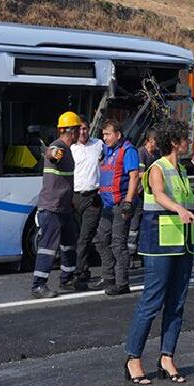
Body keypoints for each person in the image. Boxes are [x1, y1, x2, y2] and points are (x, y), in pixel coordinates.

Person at [123, 120, 194, 385]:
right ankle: (133, 357)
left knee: (176, 303)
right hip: (159, 246)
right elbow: (160, 195)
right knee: (152, 302)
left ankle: (167, 357)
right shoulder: (158, 167)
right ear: (175, 142)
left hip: (183, 244)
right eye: (185, 139)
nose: (188, 143)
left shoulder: (183, 170)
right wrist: (178, 208)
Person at [31, 112, 80, 299]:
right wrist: (53, 153)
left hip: (64, 208)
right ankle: (38, 285)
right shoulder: (58, 146)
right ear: (71, 131)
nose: (79, 133)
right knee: (48, 247)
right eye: (77, 129)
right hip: (52, 208)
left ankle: (67, 278)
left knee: (69, 244)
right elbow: (52, 154)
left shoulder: (67, 149)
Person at [96, 119, 140, 296]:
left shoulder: (127, 151)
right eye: (103, 134)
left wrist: (128, 202)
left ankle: (122, 283)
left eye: (107, 134)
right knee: (101, 239)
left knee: (118, 243)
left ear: (118, 135)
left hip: (121, 203)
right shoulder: (108, 151)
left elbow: (134, 176)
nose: (104, 138)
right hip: (107, 204)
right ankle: (109, 277)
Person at [69, 121, 104, 291]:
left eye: (85, 128)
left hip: (93, 197)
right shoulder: (71, 148)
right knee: (78, 238)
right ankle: (83, 270)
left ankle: (79, 275)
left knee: (85, 238)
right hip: (75, 198)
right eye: (79, 129)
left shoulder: (98, 144)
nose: (83, 132)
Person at [129, 128, 160, 260]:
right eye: (155, 141)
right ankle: (131, 254)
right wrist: (155, 176)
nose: (156, 144)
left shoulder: (157, 154)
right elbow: (140, 173)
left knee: (148, 224)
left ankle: (143, 252)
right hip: (140, 193)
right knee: (134, 225)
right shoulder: (141, 152)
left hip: (151, 194)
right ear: (149, 141)